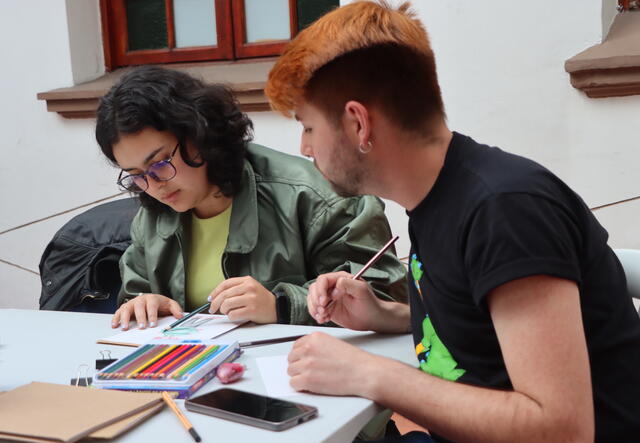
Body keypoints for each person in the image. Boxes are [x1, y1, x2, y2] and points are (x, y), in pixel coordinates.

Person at [265, 1, 640, 442]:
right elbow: (482, 331)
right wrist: (382, 314)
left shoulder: (505, 210)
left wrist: (372, 375)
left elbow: (561, 428)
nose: (305, 148)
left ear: (357, 123)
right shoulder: (437, 197)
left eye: (308, 127)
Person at [95, 65, 407, 331]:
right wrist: (144, 305)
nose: (153, 186)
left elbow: (384, 299)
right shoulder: (153, 214)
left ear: (198, 134)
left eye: (160, 163)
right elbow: (134, 295)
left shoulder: (316, 197)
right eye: (136, 174)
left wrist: (281, 307)